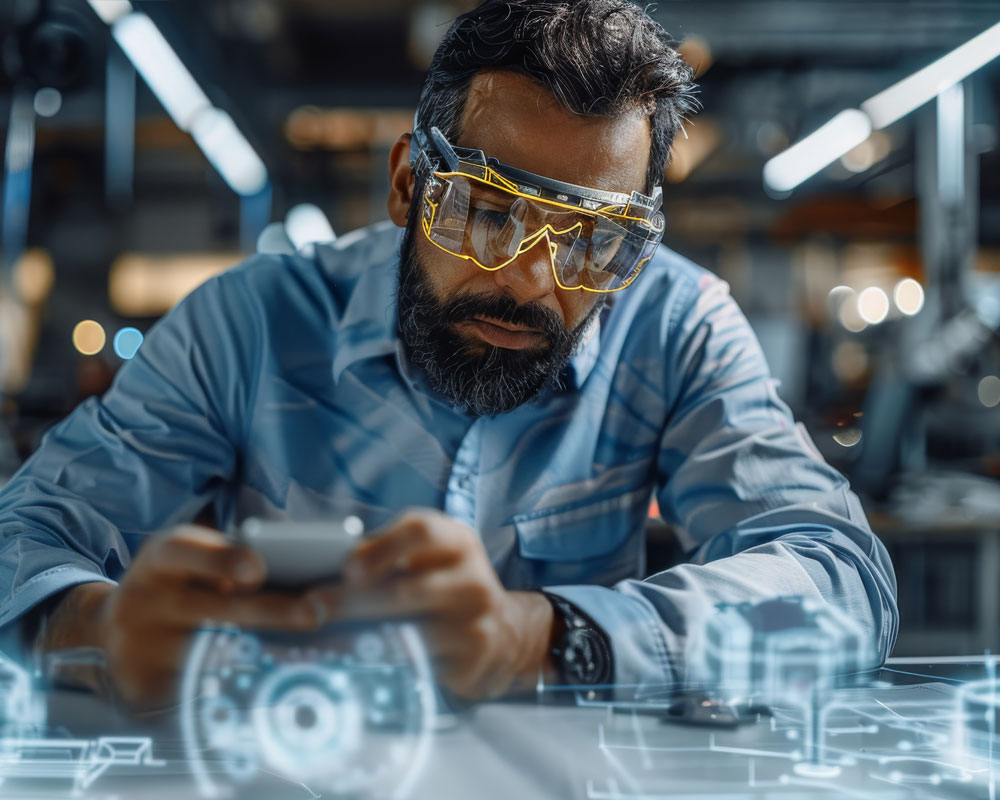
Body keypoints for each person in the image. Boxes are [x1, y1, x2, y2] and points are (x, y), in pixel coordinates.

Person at [0, 0, 897, 709]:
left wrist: (541, 640)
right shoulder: (250, 325)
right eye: (488, 211)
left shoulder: (678, 323)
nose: (532, 285)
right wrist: (96, 625)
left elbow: (840, 578)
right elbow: (23, 537)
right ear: (405, 185)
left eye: (593, 240)